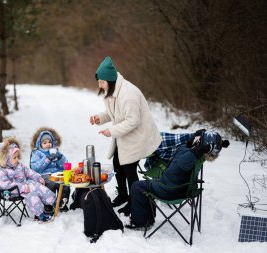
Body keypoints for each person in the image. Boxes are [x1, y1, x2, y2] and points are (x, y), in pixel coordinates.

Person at [90, 56, 161, 216]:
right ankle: (123, 195)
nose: (99, 85)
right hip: (125, 134)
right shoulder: (112, 91)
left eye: (101, 82)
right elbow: (113, 114)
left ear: (110, 80)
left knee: (129, 169)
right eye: (99, 82)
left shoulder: (128, 94)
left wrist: (111, 131)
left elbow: (133, 121)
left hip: (138, 136)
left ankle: (134, 202)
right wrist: (99, 118)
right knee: (117, 163)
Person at [126, 130, 230, 230]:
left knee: (137, 186)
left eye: (199, 138)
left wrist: (196, 150)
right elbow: (184, 152)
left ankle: (139, 223)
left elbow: (182, 163)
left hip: (169, 189)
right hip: (175, 187)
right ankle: (147, 220)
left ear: (201, 144)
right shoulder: (197, 155)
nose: (196, 137)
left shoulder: (193, 155)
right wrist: (192, 143)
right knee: (146, 186)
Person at [0, 137, 56, 222]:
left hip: (25, 187)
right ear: (6, 158)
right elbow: (4, 184)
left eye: (17, 157)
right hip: (11, 191)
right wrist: (21, 187)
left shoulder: (19, 165)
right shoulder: (1, 170)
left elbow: (29, 172)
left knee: (34, 191)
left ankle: (51, 203)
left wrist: (37, 177)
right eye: (14, 157)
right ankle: (43, 213)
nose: (17, 159)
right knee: (33, 188)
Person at [30, 127, 70, 212]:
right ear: (40, 144)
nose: (48, 144)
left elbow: (65, 165)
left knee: (65, 181)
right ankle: (48, 204)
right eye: (44, 143)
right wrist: (47, 159)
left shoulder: (55, 151)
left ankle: (62, 202)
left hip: (56, 173)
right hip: (43, 174)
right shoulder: (37, 153)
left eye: (49, 142)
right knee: (51, 183)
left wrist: (60, 158)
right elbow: (35, 168)